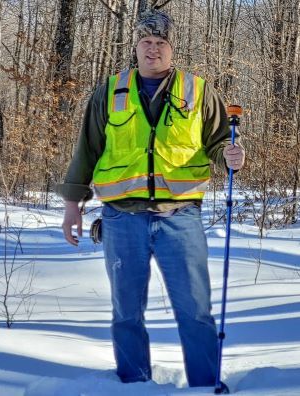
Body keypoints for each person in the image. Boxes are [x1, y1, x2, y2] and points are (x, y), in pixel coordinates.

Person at [55, 9, 244, 392]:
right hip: (122, 219)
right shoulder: (109, 91)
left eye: (160, 43)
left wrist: (231, 154)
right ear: (136, 47)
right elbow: (87, 150)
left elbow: (220, 140)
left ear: (172, 49)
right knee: (127, 313)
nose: (153, 50)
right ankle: (132, 385)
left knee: (195, 311)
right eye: (146, 42)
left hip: (181, 217)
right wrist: (73, 204)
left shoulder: (199, 90)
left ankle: (206, 386)